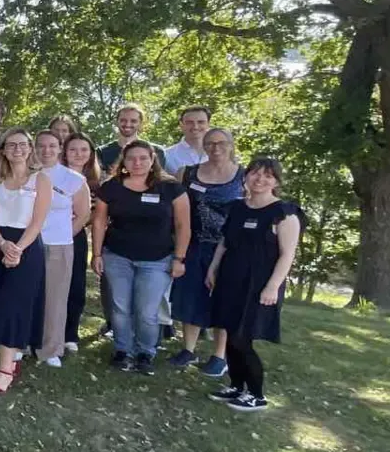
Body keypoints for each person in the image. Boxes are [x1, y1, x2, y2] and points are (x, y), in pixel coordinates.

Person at [205, 158, 302, 412]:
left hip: (259, 285)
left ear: (277, 181)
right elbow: (225, 243)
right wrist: (213, 268)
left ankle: (257, 395)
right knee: (229, 334)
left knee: (241, 339)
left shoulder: (285, 213)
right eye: (255, 174)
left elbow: (287, 254)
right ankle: (237, 387)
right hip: (230, 279)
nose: (260, 179)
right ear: (246, 177)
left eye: (268, 176)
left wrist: (272, 287)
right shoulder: (237, 208)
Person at [92, 140, 190, 374]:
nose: (137, 163)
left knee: (147, 310)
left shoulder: (171, 188)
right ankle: (122, 350)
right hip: (117, 256)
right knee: (119, 307)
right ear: (123, 161)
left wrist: (179, 258)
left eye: (143, 158)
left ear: (152, 159)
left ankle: (145, 351)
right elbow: (99, 221)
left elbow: (183, 224)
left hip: (157, 260)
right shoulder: (111, 187)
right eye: (131, 158)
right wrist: (96, 253)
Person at [0, 128, 53, 394]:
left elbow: (38, 221)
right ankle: (7, 360)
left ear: (30, 148)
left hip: (27, 247)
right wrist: (2, 244)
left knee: (12, 306)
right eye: (11, 145)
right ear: (3, 150)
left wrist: (18, 249)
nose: (17, 149)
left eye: (22, 144)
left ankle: (6, 371)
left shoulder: (40, 180)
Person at [169, 127, 244, 373]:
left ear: (231, 145)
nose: (215, 148)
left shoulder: (244, 177)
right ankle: (188, 349)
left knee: (223, 299)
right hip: (191, 244)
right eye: (210, 143)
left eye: (221, 143)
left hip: (228, 248)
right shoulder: (187, 173)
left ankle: (220, 356)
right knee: (189, 296)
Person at [35, 130, 90, 367]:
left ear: (59, 149)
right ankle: (25, 342)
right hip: (27, 245)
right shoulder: (27, 175)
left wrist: (66, 235)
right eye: (41, 146)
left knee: (55, 299)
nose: (46, 150)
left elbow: (83, 214)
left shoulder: (73, 179)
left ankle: (51, 349)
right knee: (28, 296)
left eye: (52, 146)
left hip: (58, 245)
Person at [61, 133, 102, 353]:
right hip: (50, 236)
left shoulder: (95, 183)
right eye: (73, 149)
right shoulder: (52, 176)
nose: (78, 154)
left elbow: (93, 215)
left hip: (75, 237)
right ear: (64, 153)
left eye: (84, 150)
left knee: (75, 285)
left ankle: (70, 333)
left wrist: (72, 230)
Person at [97, 103, 166, 172]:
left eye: (133, 121)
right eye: (123, 120)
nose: (128, 124)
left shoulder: (157, 151)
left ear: (140, 124)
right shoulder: (102, 152)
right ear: (116, 122)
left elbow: (159, 180)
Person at [163, 106, 212, 178]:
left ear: (208, 124)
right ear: (181, 125)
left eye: (201, 122)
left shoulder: (220, 153)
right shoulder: (167, 156)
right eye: (189, 122)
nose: (195, 127)